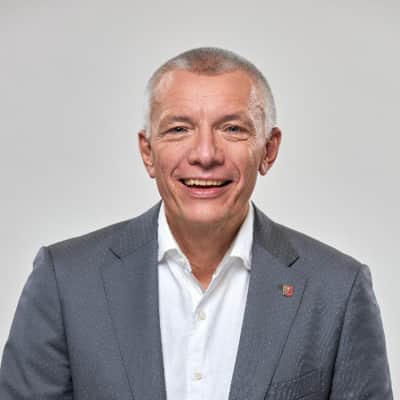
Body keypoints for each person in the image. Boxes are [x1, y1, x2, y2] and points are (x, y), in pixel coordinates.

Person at [0, 47, 393, 400]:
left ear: (269, 150)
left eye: (233, 129)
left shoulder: (337, 289)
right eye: (179, 129)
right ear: (148, 152)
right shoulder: (66, 281)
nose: (205, 154)